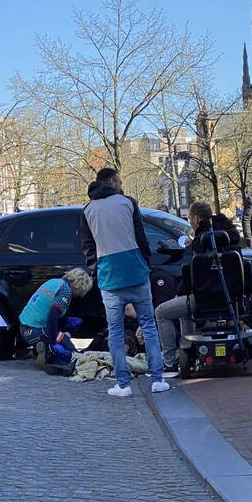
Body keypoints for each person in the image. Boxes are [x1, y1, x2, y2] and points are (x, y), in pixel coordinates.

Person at [79, 168, 169, 397]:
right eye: (119, 182)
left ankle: (123, 384)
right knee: (148, 325)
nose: (121, 185)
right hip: (136, 271)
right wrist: (144, 262)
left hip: (109, 276)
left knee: (115, 330)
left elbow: (88, 246)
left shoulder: (88, 209)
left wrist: (96, 270)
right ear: (112, 182)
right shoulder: (128, 202)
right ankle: (158, 379)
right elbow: (141, 237)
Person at [155, 201, 241, 376]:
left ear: (195, 218)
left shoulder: (199, 246)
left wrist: (180, 292)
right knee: (184, 313)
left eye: (189, 219)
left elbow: (190, 281)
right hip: (231, 299)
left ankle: (170, 362)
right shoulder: (230, 238)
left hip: (204, 299)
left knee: (161, 312)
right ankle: (189, 350)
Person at [18, 268, 92, 375]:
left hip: (25, 329)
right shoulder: (65, 290)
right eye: (82, 291)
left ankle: (41, 348)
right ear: (79, 285)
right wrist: (55, 340)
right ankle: (51, 355)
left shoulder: (54, 282)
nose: (80, 295)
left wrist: (66, 321)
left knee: (67, 329)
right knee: (72, 355)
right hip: (38, 330)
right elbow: (52, 316)